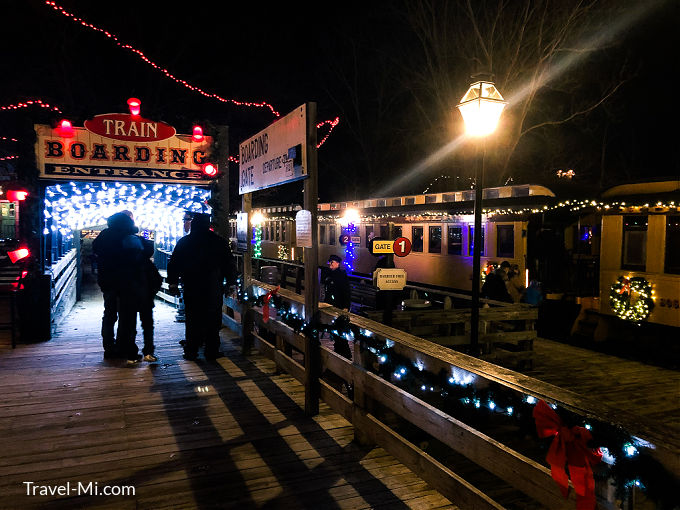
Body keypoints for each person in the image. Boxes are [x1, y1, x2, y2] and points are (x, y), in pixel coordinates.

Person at [167, 214, 237, 361]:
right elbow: (229, 264)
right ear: (208, 225)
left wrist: (173, 282)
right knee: (213, 319)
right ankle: (211, 350)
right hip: (212, 286)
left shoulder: (185, 242)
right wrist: (230, 282)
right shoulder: (218, 242)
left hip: (192, 285)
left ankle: (191, 349)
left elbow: (174, 264)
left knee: (193, 318)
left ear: (193, 225)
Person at [92, 211, 149, 363]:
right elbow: (145, 252)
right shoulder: (129, 238)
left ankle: (109, 348)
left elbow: (96, 250)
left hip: (108, 281)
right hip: (127, 282)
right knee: (127, 316)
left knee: (109, 314)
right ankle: (126, 347)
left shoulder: (103, 236)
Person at [322, 254, 352, 359]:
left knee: (340, 329)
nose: (330, 264)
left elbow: (346, 292)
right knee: (335, 329)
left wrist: (346, 307)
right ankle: (339, 349)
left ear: (338, 264)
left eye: (333, 262)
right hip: (330, 305)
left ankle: (345, 352)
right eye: (330, 262)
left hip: (339, 306)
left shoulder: (341, 275)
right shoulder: (329, 274)